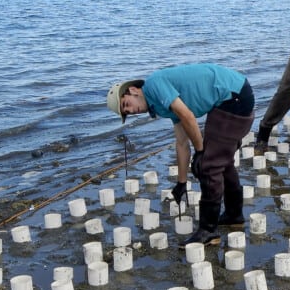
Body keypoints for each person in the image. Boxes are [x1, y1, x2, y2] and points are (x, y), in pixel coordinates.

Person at [106, 64, 254, 247]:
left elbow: (188, 116)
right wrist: (181, 182)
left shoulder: (153, 85)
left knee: (209, 164)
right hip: (233, 96)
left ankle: (208, 230)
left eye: (126, 104)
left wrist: (200, 152)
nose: (130, 110)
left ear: (133, 90)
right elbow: (181, 143)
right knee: (221, 159)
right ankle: (234, 215)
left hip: (233, 97)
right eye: (126, 113)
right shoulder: (159, 105)